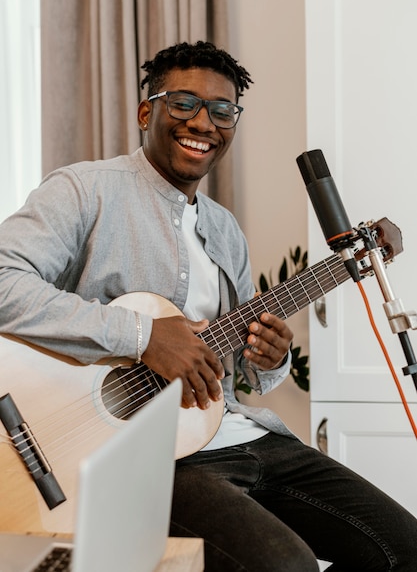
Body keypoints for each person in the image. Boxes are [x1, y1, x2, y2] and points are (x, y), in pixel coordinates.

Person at [0, 41, 416, 571]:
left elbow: (234, 366)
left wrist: (269, 357)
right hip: (145, 456)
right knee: (286, 566)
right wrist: (144, 336)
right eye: (184, 104)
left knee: (405, 550)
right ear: (146, 111)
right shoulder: (85, 191)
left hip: (244, 436)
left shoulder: (224, 230)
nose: (204, 123)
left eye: (222, 111)